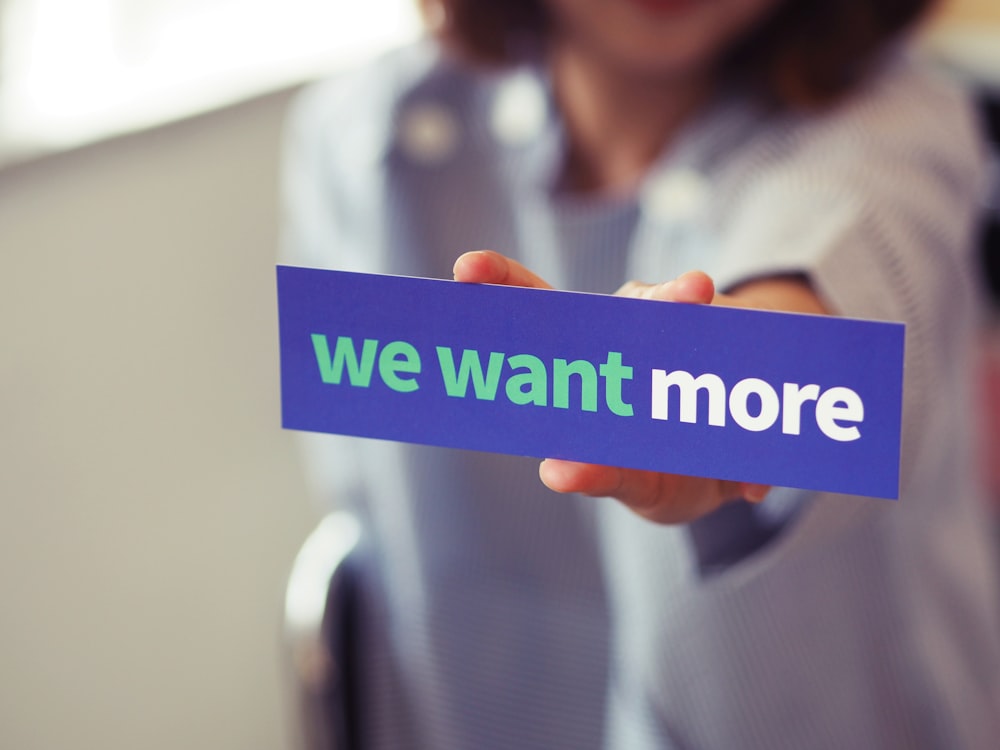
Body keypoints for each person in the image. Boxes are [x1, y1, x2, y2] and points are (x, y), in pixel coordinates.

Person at [282, 0, 1000, 746]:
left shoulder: (896, 125)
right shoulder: (358, 141)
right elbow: (366, 503)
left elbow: (830, 300)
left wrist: (727, 392)